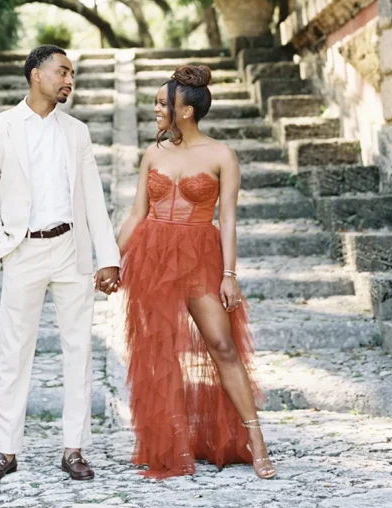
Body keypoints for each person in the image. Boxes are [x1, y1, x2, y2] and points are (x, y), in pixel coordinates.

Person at [118, 63, 276, 480]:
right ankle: (171, 444)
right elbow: (137, 212)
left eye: (161, 103)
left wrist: (230, 274)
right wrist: (112, 258)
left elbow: (227, 220)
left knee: (222, 345)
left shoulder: (222, 155)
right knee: (160, 352)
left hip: (200, 254)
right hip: (153, 254)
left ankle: (255, 438)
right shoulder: (154, 153)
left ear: (185, 110)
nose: (156, 109)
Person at [0, 44, 121, 483]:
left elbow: (94, 198)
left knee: (79, 350)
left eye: (72, 73)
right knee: (14, 353)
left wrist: (108, 258)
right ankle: (6, 450)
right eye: (62, 71)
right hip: (24, 252)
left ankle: (73, 449)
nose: (69, 80)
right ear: (36, 74)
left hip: (71, 251)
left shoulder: (76, 132)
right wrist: (4, 247)